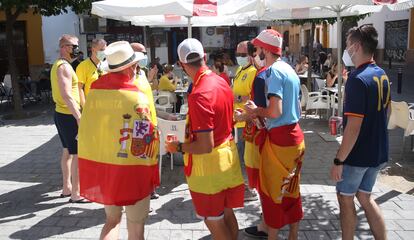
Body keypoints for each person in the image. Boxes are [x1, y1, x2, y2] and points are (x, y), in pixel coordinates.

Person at [78, 41, 159, 240]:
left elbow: (90, 127)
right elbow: (144, 143)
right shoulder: (135, 97)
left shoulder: (95, 91)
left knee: (112, 220)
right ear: (131, 67)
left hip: (106, 167)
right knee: (135, 226)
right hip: (131, 170)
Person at [166, 38, 244, 240]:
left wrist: (178, 147)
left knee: (213, 219)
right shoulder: (221, 81)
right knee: (227, 212)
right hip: (228, 157)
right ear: (205, 58)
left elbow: (205, 145)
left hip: (209, 168)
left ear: (182, 65)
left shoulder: (199, 94)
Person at [330, 24, 390, 240]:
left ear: (356, 46)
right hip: (378, 151)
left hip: (358, 154)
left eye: (347, 46)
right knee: (365, 197)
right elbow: (386, 112)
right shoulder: (381, 73)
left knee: (345, 198)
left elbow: (354, 128)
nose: (346, 50)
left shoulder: (357, 78)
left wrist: (339, 160)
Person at [245, 29, 305, 240]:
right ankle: (293, 236)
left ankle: (272, 236)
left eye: (258, 48)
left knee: (272, 193)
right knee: (291, 189)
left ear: (265, 50)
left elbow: (274, 111)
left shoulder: (274, 73)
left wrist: (254, 111)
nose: (256, 52)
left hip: (281, 140)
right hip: (295, 136)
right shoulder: (288, 69)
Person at [50, 34, 87, 203]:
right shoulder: (64, 67)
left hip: (62, 114)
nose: (77, 50)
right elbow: (67, 95)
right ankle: (76, 193)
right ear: (64, 47)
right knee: (77, 154)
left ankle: (67, 188)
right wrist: (79, 117)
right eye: (74, 46)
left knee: (68, 152)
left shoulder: (60, 65)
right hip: (69, 116)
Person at [130, 42, 160, 200]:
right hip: (138, 124)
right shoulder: (128, 74)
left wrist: (150, 78)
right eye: (141, 52)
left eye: (145, 52)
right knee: (140, 159)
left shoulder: (141, 73)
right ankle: (142, 192)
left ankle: (151, 188)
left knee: (150, 156)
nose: (144, 55)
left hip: (150, 122)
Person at [233, 41, 258, 202]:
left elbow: (253, 96)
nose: (239, 57)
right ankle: (245, 186)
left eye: (242, 55)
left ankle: (251, 188)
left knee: (245, 157)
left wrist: (238, 98)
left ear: (250, 55)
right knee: (239, 156)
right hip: (236, 120)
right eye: (237, 54)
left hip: (246, 121)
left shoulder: (254, 72)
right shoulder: (239, 69)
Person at [77, 39, 107, 107]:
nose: (104, 52)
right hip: (91, 106)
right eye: (102, 50)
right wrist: (85, 107)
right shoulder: (83, 66)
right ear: (93, 50)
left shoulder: (105, 65)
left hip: (105, 105)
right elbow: (79, 88)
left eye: (105, 50)